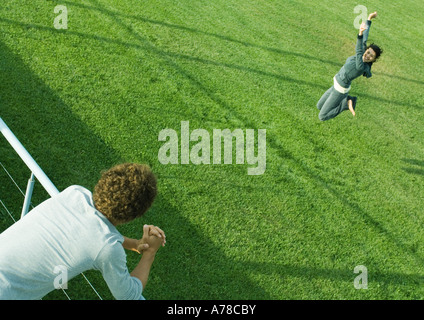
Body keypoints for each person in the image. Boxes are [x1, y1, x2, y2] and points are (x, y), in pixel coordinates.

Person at [0, 162, 165, 300]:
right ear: (134, 215)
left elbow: (88, 230)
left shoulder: (75, 193)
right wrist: (149, 252)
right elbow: (128, 295)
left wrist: (135, 245)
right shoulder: (107, 249)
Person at [316, 11, 383, 121]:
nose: (368, 55)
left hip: (340, 90)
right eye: (368, 52)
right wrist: (369, 18)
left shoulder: (362, 66)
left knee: (322, 116)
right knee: (319, 106)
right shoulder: (362, 53)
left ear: (374, 60)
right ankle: (346, 101)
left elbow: (358, 48)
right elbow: (365, 36)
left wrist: (359, 34)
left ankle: (346, 103)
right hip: (336, 83)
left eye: (372, 56)